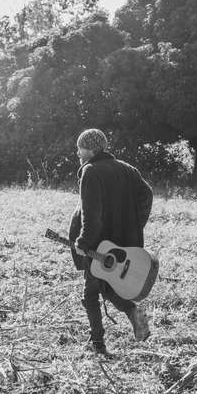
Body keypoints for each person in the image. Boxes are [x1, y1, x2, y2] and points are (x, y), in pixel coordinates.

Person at [69, 128, 153, 357]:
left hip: (99, 243)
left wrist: (84, 242)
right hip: (124, 242)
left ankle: (98, 343)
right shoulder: (127, 168)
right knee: (106, 285)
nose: (78, 152)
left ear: (91, 149)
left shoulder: (91, 171)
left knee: (90, 292)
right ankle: (128, 316)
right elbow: (147, 195)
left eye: (80, 147)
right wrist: (135, 225)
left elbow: (91, 214)